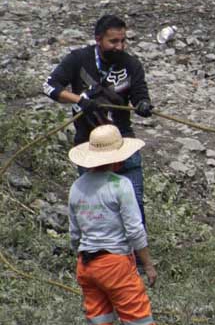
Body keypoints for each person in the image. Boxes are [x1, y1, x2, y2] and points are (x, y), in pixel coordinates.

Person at [68, 124, 162, 325]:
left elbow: (74, 233)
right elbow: (134, 230)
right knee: (139, 322)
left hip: (86, 264)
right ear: (117, 159)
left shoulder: (77, 187)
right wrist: (149, 265)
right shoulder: (120, 185)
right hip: (115, 263)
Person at [43, 14, 154, 224]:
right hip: (90, 149)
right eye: (113, 41)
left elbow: (140, 93)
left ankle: (137, 257)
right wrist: (80, 100)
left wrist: (143, 105)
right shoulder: (78, 60)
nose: (119, 46)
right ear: (98, 39)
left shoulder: (131, 65)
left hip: (124, 146)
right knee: (97, 216)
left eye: (123, 41)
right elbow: (49, 86)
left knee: (135, 213)